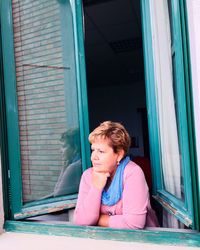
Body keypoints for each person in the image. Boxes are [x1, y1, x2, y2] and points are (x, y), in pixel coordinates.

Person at [74, 121, 159, 229]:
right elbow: (81, 220)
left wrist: (98, 219)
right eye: (93, 150)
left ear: (119, 154)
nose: (93, 157)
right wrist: (96, 187)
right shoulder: (88, 175)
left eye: (101, 151)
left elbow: (134, 224)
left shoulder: (132, 173)